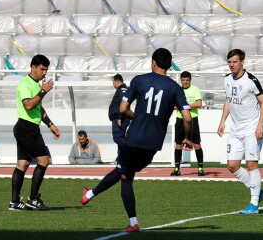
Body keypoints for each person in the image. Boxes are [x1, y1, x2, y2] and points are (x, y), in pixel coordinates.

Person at [80, 48, 193, 232]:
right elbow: (187, 118)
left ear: (153, 62)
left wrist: (138, 117)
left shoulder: (139, 80)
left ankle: (131, 221)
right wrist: (187, 137)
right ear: (170, 65)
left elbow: (123, 108)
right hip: (154, 143)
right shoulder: (175, 88)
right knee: (126, 172)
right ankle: (91, 194)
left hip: (134, 137)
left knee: (124, 175)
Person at [217, 48, 263, 215]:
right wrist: (222, 121)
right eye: (230, 62)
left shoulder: (251, 80)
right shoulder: (227, 80)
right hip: (235, 130)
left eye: (235, 62)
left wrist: (260, 125)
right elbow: (228, 100)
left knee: (251, 164)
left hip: (251, 130)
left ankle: (254, 204)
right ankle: (258, 191)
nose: (231, 65)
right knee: (232, 166)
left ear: (242, 62)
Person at [9, 54, 60, 211]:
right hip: (27, 128)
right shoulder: (25, 84)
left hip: (28, 127)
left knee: (22, 164)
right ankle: (33, 199)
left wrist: (50, 124)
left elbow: (38, 107)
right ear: (33, 67)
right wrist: (43, 92)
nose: (44, 73)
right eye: (42, 69)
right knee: (44, 160)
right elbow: (29, 106)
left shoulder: (37, 86)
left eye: (46, 70)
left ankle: (15, 203)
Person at [172, 71, 205, 177]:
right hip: (180, 119)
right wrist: (186, 106)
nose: (185, 82)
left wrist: (184, 106)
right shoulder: (177, 90)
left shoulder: (195, 89)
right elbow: (173, 106)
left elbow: (199, 104)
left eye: (187, 80)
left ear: (190, 80)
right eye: (183, 80)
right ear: (180, 80)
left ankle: (200, 168)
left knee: (196, 144)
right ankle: (177, 168)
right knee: (178, 144)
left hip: (193, 119)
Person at [109, 74, 130, 155]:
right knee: (120, 138)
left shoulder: (122, 90)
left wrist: (119, 117)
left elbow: (123, 103)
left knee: (117, 138)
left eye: (113, 82)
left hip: (120, 119)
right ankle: (120, 159)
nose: (113, 84)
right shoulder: (123, 89)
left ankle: (132, 150)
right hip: (120, 118)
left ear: (117, 81)